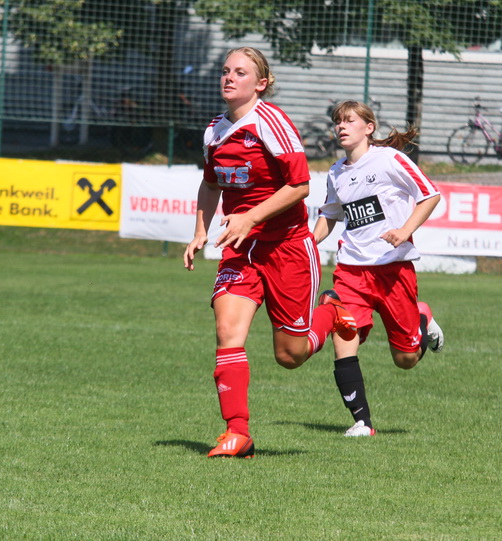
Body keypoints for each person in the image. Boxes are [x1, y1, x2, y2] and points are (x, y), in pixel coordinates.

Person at [183, 47, 358, 458]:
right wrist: (199, 231)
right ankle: (237, 432)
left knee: (290, 355)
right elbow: (211, 184)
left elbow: (300, 186)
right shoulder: (214, 131)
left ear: (260, 83)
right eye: (226, 71)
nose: (229, 77)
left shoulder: (271, 121)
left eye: (240, 72)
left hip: (288, 247)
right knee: (227, 330)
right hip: (240, 249)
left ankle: (331, 311)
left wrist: (250, 217)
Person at [312, 100, 446, 437]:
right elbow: (330, 214)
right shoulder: (336, 172)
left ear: (368, 128)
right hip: (351, 271)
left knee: (405, 360)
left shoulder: (389, 159)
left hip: (392, 271)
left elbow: (430, 195)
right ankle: (362, 422)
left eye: (349, 120)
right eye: (338, 122)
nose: (341, 127)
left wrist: (404, 231)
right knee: (344, 338)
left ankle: (421, 316)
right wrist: (308, 242)